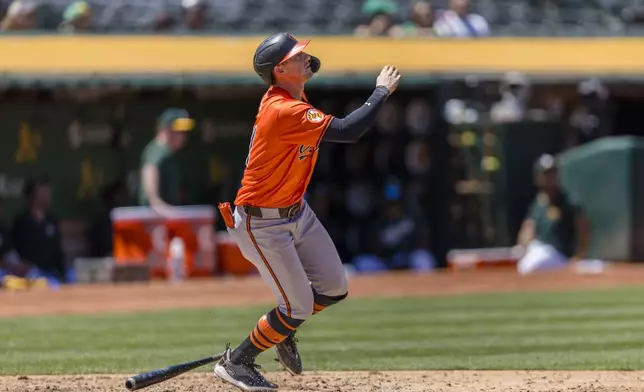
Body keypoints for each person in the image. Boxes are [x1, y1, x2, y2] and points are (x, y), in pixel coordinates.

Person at [214, 32, 401, 391]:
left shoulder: (293, 96)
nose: (307, 56)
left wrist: (304, 68)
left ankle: (281, 328)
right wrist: (381, 91)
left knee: (333, 287)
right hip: (261, 223)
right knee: (296, 306)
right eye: (298, 55)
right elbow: (349, 131)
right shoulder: (283, 109)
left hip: (298, 213)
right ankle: (237, 362)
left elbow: (311, 75)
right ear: (280, 69)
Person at [515, 154, 594, 274]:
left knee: (531, 266)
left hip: (557, 254)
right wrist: (522, 248)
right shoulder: (538, 203)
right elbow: (528, 228)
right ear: (538, 177)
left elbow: (583, 227)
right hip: (536, 249)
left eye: (552, 173)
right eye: (546, 174)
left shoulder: (567, 201)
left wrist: (580, 255)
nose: (549, 177)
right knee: (525, 263)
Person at [139, 108, 194, 216]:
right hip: (154, 217)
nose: (183, 136)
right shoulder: (159, 149)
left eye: (184, 132)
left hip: (163, 215)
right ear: (165, 130)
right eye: (178, 131)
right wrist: (157, 203)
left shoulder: (168, 152)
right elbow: (150, 169)